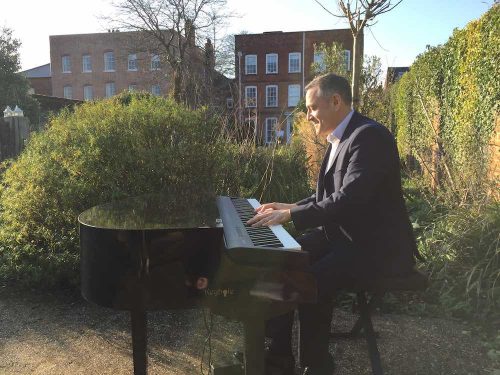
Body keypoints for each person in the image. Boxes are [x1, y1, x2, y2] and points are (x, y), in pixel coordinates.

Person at [247, 73, 419, 375]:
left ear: (336, 101)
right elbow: (326, 196)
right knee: (281, 261)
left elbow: (351, 198)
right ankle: (277, 357)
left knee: (311, 281)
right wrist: (287, 206)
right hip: (345, 238)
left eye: (313, 107)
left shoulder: (369, 136)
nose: (309, 115)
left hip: (376, 249)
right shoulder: (340, 138)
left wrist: (291, 216)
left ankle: (317, 366)